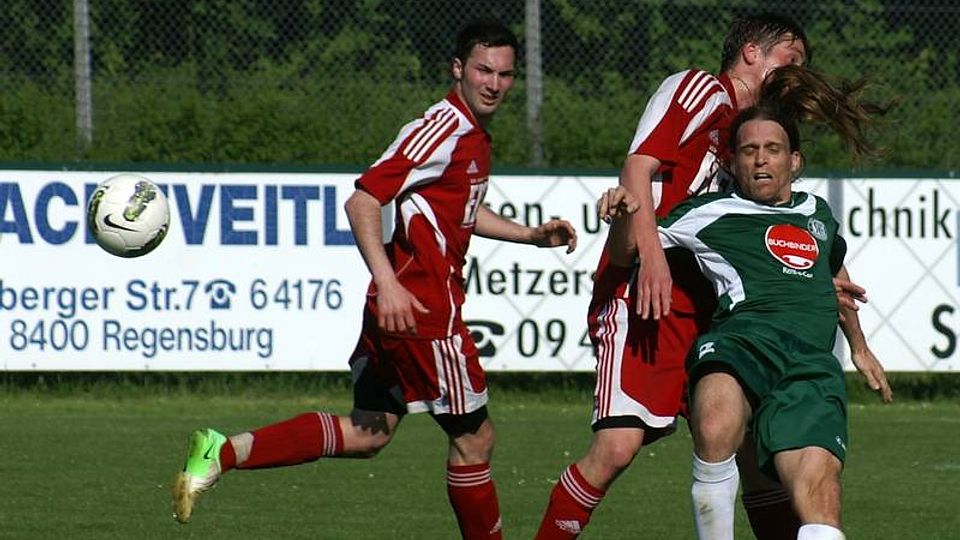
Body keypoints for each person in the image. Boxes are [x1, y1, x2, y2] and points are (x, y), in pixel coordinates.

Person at [171, 20, 578, 539]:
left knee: (370, 432)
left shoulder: (473, 135)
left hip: (402, 308)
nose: (494, 84)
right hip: (424, 312)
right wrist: (388, 282)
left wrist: (529, 235)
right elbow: (363, 200)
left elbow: (458, 211)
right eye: (484, 70)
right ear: (458, 69)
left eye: (505, 74)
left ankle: (220, 451)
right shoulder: (443, 129)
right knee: (475, 440)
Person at [534, 13, 891, 540]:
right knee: (617, 446)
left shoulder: (745, 137)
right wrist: (652, 256)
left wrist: (807, 283)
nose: (797, 72)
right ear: (752, 51)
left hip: (713, 310)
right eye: (790, 59)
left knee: (751, 453)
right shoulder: (701, 90)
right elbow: (637, 168)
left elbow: (762, 234)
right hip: (645, 293)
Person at [605, 102, 864, 539]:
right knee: (714, 422)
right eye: (748, 150)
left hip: (807, 367)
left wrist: (859, 347)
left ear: (794, 161)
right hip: (740, 345)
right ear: (733, 163)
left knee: (820, 495)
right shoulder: (707, 212)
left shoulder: (818, 214)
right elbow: (626, 251)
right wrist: (624, 214)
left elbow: (835, 274)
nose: (760, 159)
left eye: (772, 149)